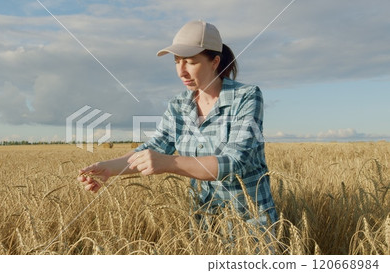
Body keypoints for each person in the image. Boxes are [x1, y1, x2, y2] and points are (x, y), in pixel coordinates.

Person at [78, 20, 278, 228]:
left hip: (250, 227)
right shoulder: (179, 104)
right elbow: (153, 148)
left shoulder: (246, 96)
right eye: (176, 61)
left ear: (215, 62)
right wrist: (107, 168)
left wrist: (168, 163)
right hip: (204, 227)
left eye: (190, 62)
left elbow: (235, 162)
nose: (181, 71)